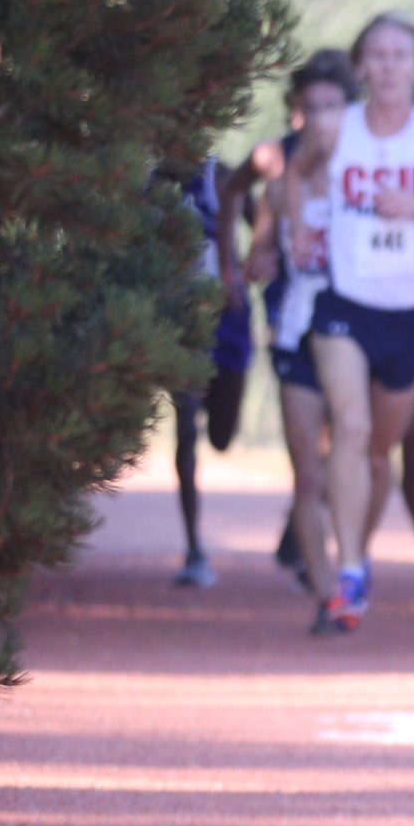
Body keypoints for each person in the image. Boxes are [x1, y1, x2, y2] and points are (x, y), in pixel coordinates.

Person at [282, 11, 414, 634]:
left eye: (400, 57)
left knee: (379, 450)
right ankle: (348, 571)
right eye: (376, 56)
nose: (387, 68)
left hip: (408, 316)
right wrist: (300, 228)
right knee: (348, 430)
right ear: (360, 66)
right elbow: (294, 173)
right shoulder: (332, 127)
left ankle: (359, 551)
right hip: (344, 306)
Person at [242, 51, 360, 612]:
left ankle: (351, 558)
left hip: (360, 335)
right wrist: (257, 263)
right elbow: (258, 253)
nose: (320, 119)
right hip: (296, 337)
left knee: (361, 457)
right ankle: (324, 592)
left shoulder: (368, 181)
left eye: (332, 107)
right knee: (308, 475)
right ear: (297, 113)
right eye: (310, 109)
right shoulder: (277, 186)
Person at [169, 155, 253, 587]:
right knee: (185, 430)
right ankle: (194, 549)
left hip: (229, 317)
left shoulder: (223, 175)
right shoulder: (149, 181)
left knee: (221, 437)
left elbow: (267, 225)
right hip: (181, 319)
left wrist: (256, 263)